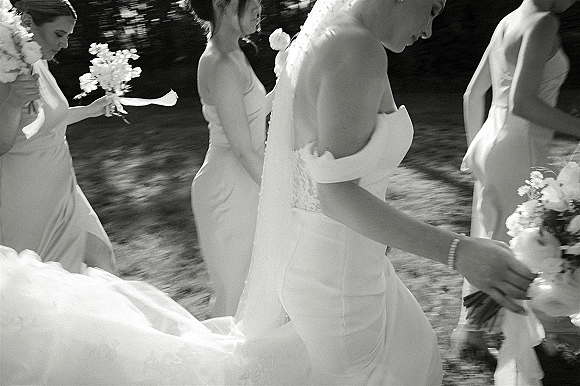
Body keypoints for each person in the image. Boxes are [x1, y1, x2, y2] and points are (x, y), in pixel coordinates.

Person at [0, 0, 537, 384]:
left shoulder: (338, 38)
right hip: (340, 280)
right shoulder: (355, 49)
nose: (433, 21)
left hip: (346, 266)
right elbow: (335, 195)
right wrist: (458, 251)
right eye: (435, 8)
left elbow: (325, 178)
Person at [453, 0, 580, 380]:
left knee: (491, 240)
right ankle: (533, 335)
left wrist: (477, 149)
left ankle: (475, 331)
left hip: (490, 143)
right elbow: (525, 103)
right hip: (520, 147)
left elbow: (472, 95)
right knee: (526, 246)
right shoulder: (543, 22)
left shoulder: (508, 21)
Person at [0, 0, 116, 274]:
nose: (64, 45)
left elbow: (46, 122)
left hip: (63, 187)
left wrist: (89, 111)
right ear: (27, 23)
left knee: (102, 259)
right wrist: (14, 102)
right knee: (46, 284)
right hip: (28, 195)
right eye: (58, 34)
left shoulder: (37, 63)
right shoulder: (8, 71)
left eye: (67, 36)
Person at [188, 0, 273, 317]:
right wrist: (282, 192)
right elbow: (242, 148)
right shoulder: (221, 63)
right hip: (229, 190)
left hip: (245, 180)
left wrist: (288, 88)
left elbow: (247, 115)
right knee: (236, 299)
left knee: (254, 291)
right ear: (222, 5)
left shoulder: (235, 51)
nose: (259, 4)